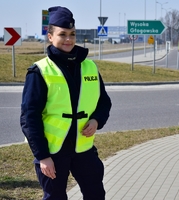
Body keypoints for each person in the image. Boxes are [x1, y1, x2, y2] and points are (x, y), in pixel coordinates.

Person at [20, 6, 112, 200]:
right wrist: (43, 156)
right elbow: (30, 118)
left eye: (72, 34)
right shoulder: (40, 71)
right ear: (50, 36)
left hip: (84, 149)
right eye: (63, 34)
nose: (69, 39)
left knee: (96, 194)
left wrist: (96, 121)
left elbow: (104, 102)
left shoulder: (90, 67)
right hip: (53, 152)